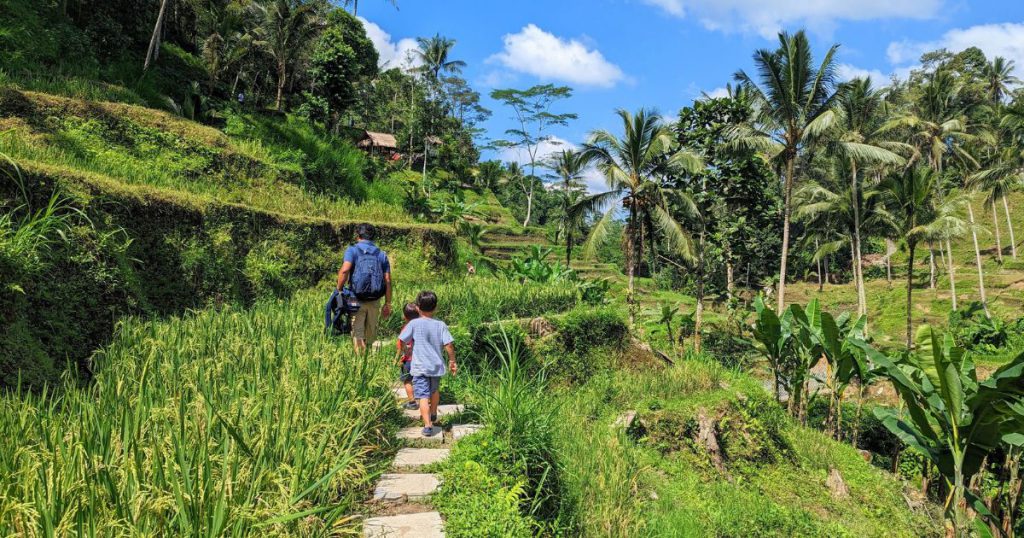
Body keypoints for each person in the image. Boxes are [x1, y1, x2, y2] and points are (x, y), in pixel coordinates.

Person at [398, 291, 457, 437]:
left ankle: (428, 425)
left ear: (418, 307)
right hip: (436, 366)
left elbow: (402, 340)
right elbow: (448, 344)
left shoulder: (414, 323)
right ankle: (434, 412)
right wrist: (452, 361)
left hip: (419, 367)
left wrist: (405, 352)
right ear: (435, 308)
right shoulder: (440, 325)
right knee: (434, 391)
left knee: (423, 396)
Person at [337, 223, 393, 353]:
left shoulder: (352, 250)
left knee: (358, 334)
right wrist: (388, 303)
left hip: (355, 298)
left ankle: (360, 367)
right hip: (375, 300)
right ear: (373, 237)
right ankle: (368, 361)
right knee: (370, 337)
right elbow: (388, 280)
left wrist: (339, 290)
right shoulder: (381, 254)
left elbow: (345, 271)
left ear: (358, 236)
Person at [396, 303, 419, 410]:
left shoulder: (406, 328)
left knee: (407, 380)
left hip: (408, 359)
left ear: (404, 316)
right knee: (421, 379)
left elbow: (401, 344)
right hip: (420, 359)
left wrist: (398, 358)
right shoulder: (421, 327)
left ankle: (412, 402)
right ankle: (426, 399)